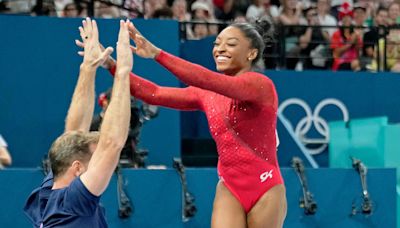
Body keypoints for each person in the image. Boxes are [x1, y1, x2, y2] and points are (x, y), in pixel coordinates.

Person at [80, 19, 286, 227]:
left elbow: (206, 79)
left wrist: (157, 54)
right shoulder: (207, 94)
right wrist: (110, 64)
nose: (220, 49)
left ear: (251, 54)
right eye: (217, 44)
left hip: (265, 185)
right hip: (230, 187)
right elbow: (155, 93)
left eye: (231, 44)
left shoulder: (261, 85)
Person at [24, 18, 132, 227]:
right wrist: (123, 72)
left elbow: (72, 133)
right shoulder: (74, 202)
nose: (102, 161)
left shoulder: (48, 193)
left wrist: (88, 68)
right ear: (77, 168)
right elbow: (112, 144)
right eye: (95, 158)